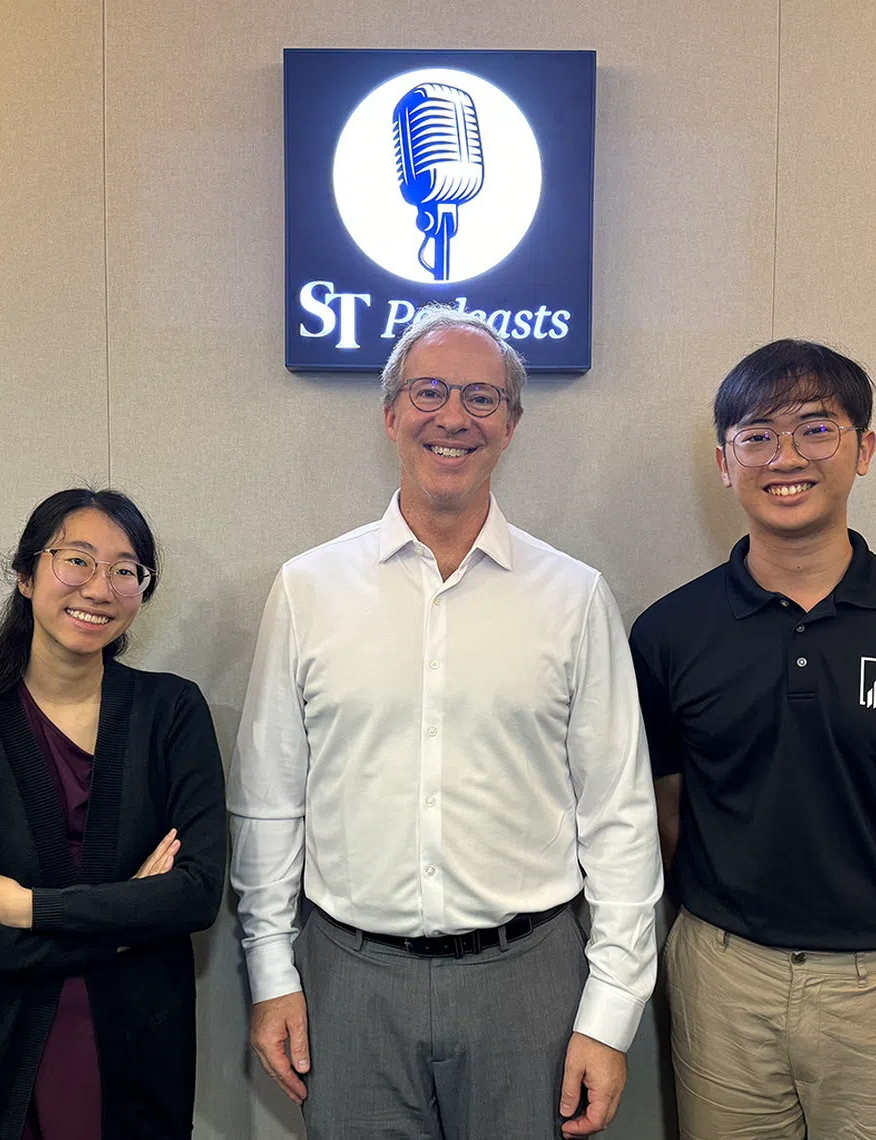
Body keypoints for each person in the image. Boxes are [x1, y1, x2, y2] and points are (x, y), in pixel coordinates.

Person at [228, 304, 663, 1139]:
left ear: (511, 425)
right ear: (391, 413)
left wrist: (609, 1015)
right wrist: (271, 971)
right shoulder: (309, 589)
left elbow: (619, 817)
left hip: (528, 982)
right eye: (428, 391)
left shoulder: (573, 599)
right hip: (348, 983)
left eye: (482, 397)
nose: (453, 417)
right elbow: (270, 799)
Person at [630, 340, 876, 1140]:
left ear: (863, 450)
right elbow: (669, 810)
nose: (786, 457)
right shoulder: (667, 633)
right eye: (757, 435)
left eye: (816, 429)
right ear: (726, 462)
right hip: (724, 982)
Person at [0, 488, 227, 1140]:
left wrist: (29, 910)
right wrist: (126, 919)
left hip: (137, 1059)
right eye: (77, 561)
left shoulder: (172, 714)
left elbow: (193, 897)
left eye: (125, 570)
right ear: (26, 573)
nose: (100, 588)